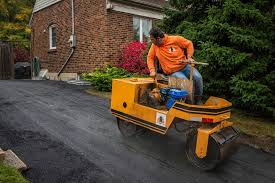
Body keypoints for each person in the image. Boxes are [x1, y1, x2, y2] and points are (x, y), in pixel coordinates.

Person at [147, 27, 203, 105]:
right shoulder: (154, 46)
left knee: (198, 77)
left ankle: (198, 100)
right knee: (184, 81)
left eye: (152, 39)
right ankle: (189, 103)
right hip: (172, 72)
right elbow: (150, 57)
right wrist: (152, 70)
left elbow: (189, 44)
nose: (151, 41)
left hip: (185, 67)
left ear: (158, 38)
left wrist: (189, 57)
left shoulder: (175, 39)